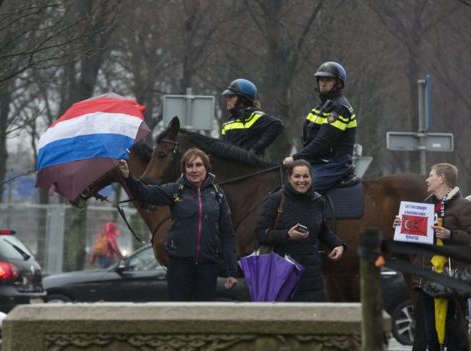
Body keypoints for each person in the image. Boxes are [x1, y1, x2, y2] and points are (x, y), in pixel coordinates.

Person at [117, 148, 238, 301]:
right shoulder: (176, 190)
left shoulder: (218, 194)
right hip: (180, 266)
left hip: (208, 266)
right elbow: (145, 193)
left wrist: (231, 272)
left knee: (203, 317)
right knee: (180, 315)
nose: (194, 170)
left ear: (206, 168)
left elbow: (228, 234)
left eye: (198, 165)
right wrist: (128, 177)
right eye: (189, 166)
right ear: (184, 169)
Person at [393, 163, 471, 351]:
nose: (427, 179)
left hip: (453, 280)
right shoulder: (424, 207)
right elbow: (414, 243)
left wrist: (450, 234)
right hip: (427, 280)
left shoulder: (464, 206)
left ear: (442, 179)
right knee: (430, 336)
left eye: (431, 175)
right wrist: (402, 226)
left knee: (456, 335)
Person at [253, 159, 345, 302]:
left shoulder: (318, 201)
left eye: (305, 176)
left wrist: (337, 244)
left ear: (311, 178)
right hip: (283, 276)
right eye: (297, 176)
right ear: (289, 178)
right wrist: (287, 235)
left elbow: (322, 230)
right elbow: (260, 233)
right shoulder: (276, 199)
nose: (302, 180)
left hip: (312, 278)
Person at [283, 61, 357, 193]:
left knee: (303, 187)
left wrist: (295, 158)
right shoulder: (321, 107)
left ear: (338, 84)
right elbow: (308, 139)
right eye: (321, 79)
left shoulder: (340, 108)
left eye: (328, 80)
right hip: (318, 162)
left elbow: (323, 142)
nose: (323, 83)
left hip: (335, 165)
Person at [220, 78, 284, 157]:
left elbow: (277, 125)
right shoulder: (226, 124)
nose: (227, 100)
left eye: (231, 96)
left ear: (242, 99)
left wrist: (255, 150)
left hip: (251, 168)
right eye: (227, 97)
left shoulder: (254, 116)